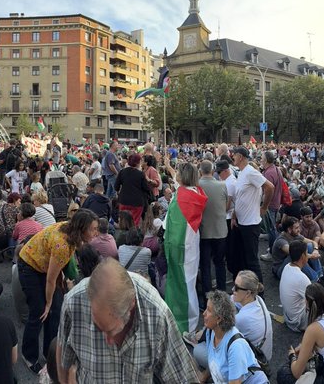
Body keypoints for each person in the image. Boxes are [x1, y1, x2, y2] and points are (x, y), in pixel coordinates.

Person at [56, 258, 197, 383]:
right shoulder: (73, 304)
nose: (107, 341)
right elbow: (63, 357)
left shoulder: (157, 313)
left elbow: (182, 376)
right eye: (98, 327)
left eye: (111, 331)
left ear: (131, 306)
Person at [17, 210, 97, 373]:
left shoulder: (70, 230)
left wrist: (52, 302)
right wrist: (47, 303)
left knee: (56, 311)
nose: (96, 233)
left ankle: (50, 352)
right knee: (39, 312)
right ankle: (29, 356)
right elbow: (50, 280)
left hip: (43, 265)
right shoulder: (63, 245)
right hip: (29, 266)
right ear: (81, 229)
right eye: (93, 229)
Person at [164, 162, 208, 332]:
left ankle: (186, 324)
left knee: (183, 283)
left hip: (180, 247)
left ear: (183, 176)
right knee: (187, 282)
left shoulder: (182, 195)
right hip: (190, 245)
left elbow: (177, 226)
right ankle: (186, 319)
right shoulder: (194, 192)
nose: (175, 176)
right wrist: (168, 166)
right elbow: (177, 182)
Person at [194, 289, 270, 384]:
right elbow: (214, 359)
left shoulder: (235, 347)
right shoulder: (211, 331)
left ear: (219, 318)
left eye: (209, 310)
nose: (204, 313)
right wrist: (203, 378)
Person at [230, 147, 273, 281]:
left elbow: (270, 187)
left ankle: (259, 291)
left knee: (252, 261)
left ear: (240, 157)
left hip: (250, 224)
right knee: (243, 259)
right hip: (242, 222)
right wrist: (234, 215)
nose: (232, 157)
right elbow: (240, 197)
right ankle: (246, 287)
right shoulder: (242, 172)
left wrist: (264, 207)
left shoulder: (250, 172)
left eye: (234, 155)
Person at [198, 159, 230, 295]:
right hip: (220, 230)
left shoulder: (197, 186)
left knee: (205, 265)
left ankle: (207, 296)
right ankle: (222, 293)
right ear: (212, 171)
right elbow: (226, 206)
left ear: (200, 171)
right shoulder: (222, 185)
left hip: (203, 231)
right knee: (220, 263)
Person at [232, 270, 274, 360]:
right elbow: (231, 299)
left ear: (248, 293)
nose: (232, 290)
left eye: (236, 288)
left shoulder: (242, 318)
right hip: (265, 356)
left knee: (201, 350)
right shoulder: (258, 299)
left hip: (255, 362)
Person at [279, 240, 312, 332]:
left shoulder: (287, 267)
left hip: (288, 317)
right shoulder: (301, 278)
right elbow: (316, 301)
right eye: (307, 253)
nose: (308, 255)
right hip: (298, 321)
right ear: (302, 256)